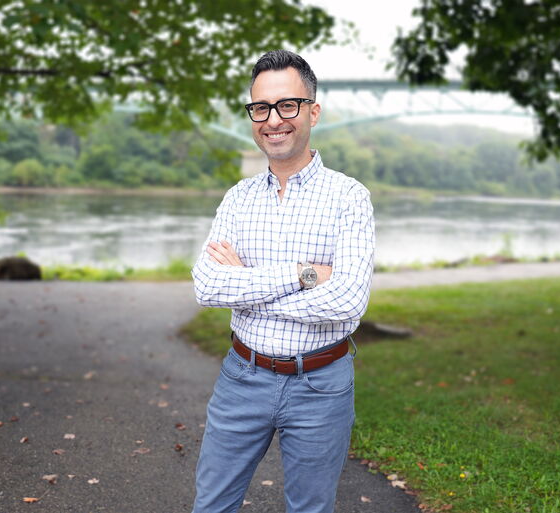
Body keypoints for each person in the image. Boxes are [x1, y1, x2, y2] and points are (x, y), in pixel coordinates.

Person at [190, 49, 375, 513]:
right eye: (260, 108)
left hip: (322, 383)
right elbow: (207, 286)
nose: (273, 120)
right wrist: (301, 275)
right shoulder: (238, 198)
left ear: (313, 111)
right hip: (242, 376)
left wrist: (246, 287)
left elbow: (347, 303)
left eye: (287, 105)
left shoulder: (350, 198)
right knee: (212, 507)